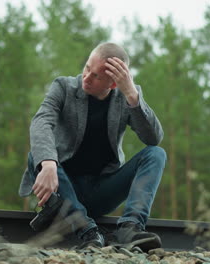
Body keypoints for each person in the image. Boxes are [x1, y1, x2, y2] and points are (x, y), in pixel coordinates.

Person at [18, 42, 166, 251]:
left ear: (113, 84)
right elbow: (41, 122)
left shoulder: (126, 96)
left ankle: (130, 229)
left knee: (156, 154)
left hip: (100, 191)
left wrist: (133, 96)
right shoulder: (63, 87)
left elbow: (153, 138)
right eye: (87, 68)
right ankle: (88, 232)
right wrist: (48, 163)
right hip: (63, 189)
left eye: (96, 76)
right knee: (38, 156)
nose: (86, 77)